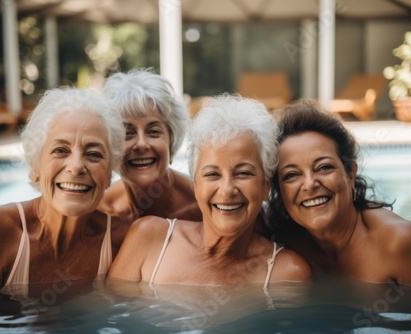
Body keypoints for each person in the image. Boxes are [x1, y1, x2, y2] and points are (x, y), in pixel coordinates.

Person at [107, 94, 311, 287]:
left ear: (266, 186)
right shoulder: (148, 238)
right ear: (196, 185)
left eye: (243, 173)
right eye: (213, 174)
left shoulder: (286, 273)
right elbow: (113, 315)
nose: (227, 189)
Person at [0, 87, 128, 293]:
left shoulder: (122, 243)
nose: (76, 166)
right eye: (60, 150)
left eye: (94, 154)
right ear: (35, 168)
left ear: (108, 175)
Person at [268, 99, 411, 286]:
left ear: (350, 174)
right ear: (279, 190)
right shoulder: (282, 243)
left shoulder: (400, 243)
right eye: (292, 175)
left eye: (323, 167)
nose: (310, 184)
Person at [98, 68, 202, 223]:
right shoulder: (103, 211)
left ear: (171, 143)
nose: (141, 144)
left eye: (153, 131)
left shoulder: (202, 204)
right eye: (128, 133)